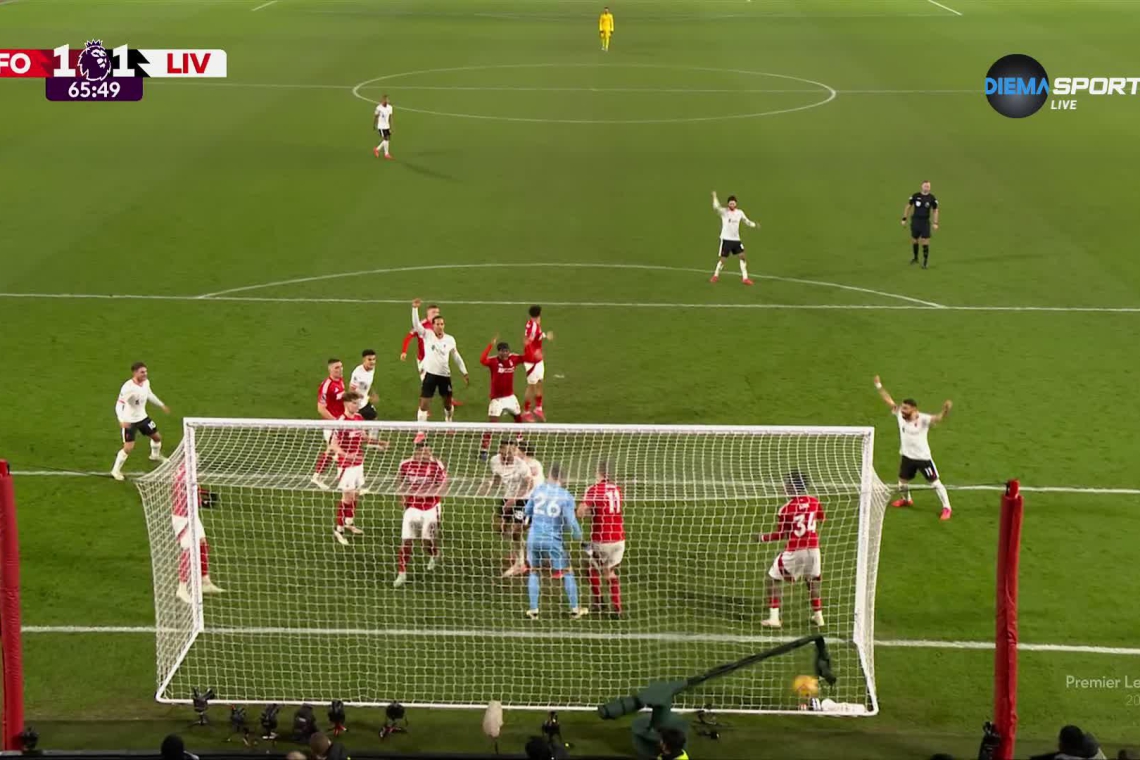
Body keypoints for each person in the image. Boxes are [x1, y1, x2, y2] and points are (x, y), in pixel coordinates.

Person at [874, 375, 954, 520]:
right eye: (902, 407)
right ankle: (907, 500)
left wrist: (945, 410)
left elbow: (938, 418)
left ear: (914, 409)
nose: (902, 410)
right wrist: (878, 385)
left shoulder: (923, 419)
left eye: (906, 408)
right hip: (907, 456)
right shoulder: (900, 414)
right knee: (902, 482)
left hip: (923, 458)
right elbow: (888, 400)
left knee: (934, 483)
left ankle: (947, 508)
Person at [755, 471, 825, 628]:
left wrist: (762, 538)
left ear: (793, 486)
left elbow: (782, 534)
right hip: (814, 549)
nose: (785, 485)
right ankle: (819, 617)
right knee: (812, 581)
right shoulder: (814, 501)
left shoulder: (785, 509)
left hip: (796, 550)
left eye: (787, 483)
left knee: (772, 577)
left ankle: (774, 618)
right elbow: (821, 519)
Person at [524, 464, 588, 620]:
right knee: (567, 572)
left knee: (534, 571)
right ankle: (575, 609)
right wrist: (580, 538)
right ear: (562, 479)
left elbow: (527, 511)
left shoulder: (538, 490)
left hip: (534, 538)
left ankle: (533, 610)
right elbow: (570, 521)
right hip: (553, 540)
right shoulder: (566, 496)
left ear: (549, 476)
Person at [330, 392, 388, 546]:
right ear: (346, 403)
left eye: (358, 403)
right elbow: (333, 445)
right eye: (354, 403)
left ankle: (349, 522)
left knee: (355, 495)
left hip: (358, 463)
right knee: (347, 497)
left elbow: (363, 437)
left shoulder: (358, 418)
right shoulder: (341, 422)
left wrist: (379, 442)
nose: (357, 406)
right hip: (346, 465)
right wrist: (346, 455)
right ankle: (339, 529)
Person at [394, 440, 447, 587]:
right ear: (416, 453)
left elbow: (443, 486)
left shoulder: (436, 465)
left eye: (429, 452)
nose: (428, 455)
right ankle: (402, 573)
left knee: (427, 541)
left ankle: (434, 554)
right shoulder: (405, 464)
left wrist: (426, 494)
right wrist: (402, 496)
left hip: (431, 506)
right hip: (412, 506)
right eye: (424, 452)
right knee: (407, 540)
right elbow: (400, 481)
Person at [411, 299, 469, 429]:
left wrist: (464, 372)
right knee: (424, 405)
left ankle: (448, 421)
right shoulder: (427, 335)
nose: (440, 326)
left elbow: (456, 356)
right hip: (430, 375)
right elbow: (416, 325)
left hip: (444, 376)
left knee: (447, 404)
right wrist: (414, 309)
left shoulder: (450, 339)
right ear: (432, 325)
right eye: (437, 324)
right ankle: (421, 431)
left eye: (442, 324)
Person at [577, 461, 626, 615]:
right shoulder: (617, 489)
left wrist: (580, 511)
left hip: (601, 538)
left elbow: (580, 512)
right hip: (619, 539)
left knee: (590, 567)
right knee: (609, 571)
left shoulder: (593, 489)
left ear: (599, 473)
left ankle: (598, 601)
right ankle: (617, 607)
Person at [172, 460, 223, 604]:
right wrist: (204, 502)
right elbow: (191, 495)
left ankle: (205, 582)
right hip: (183, 518)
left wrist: (205, 493)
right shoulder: (186, 476)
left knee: (202, 544)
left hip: (191, 515)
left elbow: (194, 490)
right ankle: (182, 588)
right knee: (188, 550)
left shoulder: (183, 471)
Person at [481, 440, 533, 578]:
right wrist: (489, 485)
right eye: (505, 452)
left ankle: (520, 562)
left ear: (514, 452)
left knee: (516, 531)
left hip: (523, 499)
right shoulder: (494, 461)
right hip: (507, 497)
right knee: (500, 527)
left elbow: (530, 484)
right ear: (500, 451)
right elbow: (497, 478)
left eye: (511, 452)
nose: (508, 455)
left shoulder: (521, 465)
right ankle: (522, 546)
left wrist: (515, 499)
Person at [112, 361, 171, 481]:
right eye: (142, 372)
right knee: (128, 448)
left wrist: (161, 405)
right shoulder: (128, 388)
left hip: (143, 418)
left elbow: (149, 394)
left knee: (157, 437)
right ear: (135, 373)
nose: (145, 374)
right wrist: (121, 420)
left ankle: (155, 455)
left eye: (146, 371)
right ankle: (115, 470)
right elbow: (119, 404)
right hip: (129, 421)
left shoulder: (146, 382)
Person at [479, 335, 525, 456]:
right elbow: (482, 360)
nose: (505, 353)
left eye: (506, 351)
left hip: (510, 397)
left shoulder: (513, 359)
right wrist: (490, 345)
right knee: (492, 424)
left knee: (518, 418)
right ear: (498, 352)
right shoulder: (493, 361)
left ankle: (520, 440)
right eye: (502, 351)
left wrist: (528, 345)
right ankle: (484, 449)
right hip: (497, 399)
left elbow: (526, 358)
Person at [709, 191, 758, 285]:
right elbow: (716, 207)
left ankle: (745, 278)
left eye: (733, 203)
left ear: (736, 204)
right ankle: (715, 276)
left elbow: (746, 221)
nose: (732, 204)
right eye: (730, 203)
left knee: (742, 257)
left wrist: (754, 225)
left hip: (736, 240)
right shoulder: (724, 212)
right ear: (728, 204)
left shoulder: (740, 213)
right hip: (726, 239)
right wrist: (714, 196)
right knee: (723, 259)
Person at [311, 358, 346, 490]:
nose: (340, 369)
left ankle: (321, 476)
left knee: (336, 450)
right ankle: (320, 477)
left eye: (341, 366)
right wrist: (336, 422)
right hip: (332, 425)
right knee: (336, 450)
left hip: (341, 422)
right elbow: (321, 408)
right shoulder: (326, 386)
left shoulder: (340, 381)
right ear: (330, 369)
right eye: (337, 367)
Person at [522, 305, 554, 421]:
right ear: (539, 314)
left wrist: (545, 336)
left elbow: (537, 335)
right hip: (531, 361)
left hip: (538, 360)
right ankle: (526, 411)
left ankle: (538, 408)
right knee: (531, 387)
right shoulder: (533, 326)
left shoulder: (534, 324)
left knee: (540, 382)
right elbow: (526, 341)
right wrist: (534, 353)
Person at [901, 180, 939, 268]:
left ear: (930, 187)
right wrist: (904, 218)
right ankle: (915, 258)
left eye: (928, 186)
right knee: (914, 240)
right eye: (925, 186)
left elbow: (935, 210)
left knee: (925, 241)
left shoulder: (932, 198)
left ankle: (925, 261)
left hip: (925, 222)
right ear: (922, 186)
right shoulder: (915, 196)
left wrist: (935, 222)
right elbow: (908, 206)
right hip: (915, 221)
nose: (927, 188)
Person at [401, 303, 440, 382]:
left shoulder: (439, 325)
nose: (436, 314)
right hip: (423, 359)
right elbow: (408, 337)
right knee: (426, 383)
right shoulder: (421, 325)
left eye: (437, 312)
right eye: (433, 312)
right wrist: (404, 351)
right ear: (428, 314)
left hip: (435, 358)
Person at [349, 349, 380, 420]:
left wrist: (373, 393)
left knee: (374, 418)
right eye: (369, 359)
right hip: (357, 405)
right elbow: (351, 391)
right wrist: (362, 396)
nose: (372, 362)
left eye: (374, 359)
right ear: (364, 360)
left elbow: (368, 383)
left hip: (365, 402)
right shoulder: (357, 373)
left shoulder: (372, 368)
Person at [373, 94, 394, 160]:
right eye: (386, 99)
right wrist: (374, 124)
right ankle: (386, 154)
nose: (388, 100)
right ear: (383, 100)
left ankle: (377, 149)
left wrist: (391, 126)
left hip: (387, 125)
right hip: (381, 126)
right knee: (386, 138)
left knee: (387, 139)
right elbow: (376, 116)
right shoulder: (378, 108)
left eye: (388, 99)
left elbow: (390, 117)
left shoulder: (390, 107)